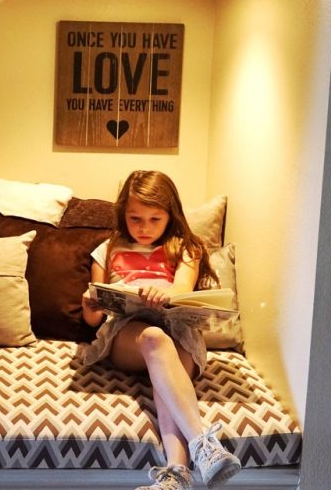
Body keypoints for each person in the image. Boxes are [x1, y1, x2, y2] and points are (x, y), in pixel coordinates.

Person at [80, 170, 241, 490]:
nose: (144, 228)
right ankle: (203, 444)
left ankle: (176, 475)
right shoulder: (107, 249)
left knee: (165, 369)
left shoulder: (186, 248)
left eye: (155, 219)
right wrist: (89, 304)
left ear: (171, 216)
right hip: (129, 336)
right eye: (135, 218)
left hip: (178, 334)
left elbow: (182, 288)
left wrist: (163, 293)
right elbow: (93, 322)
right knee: (154, 339)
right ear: (122, 213)